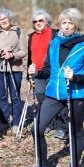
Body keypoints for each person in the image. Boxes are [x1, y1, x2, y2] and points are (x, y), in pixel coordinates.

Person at [24, 8, 84, 167]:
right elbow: (48, 69)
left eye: (70, 22)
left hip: (76, 94)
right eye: (63, 22)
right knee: (36, 129)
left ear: (77, 24)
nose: (66, 26)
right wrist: (36, 73)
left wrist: (75, 77)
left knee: (75, 132)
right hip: (53, 94)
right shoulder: (54, 42)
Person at [0, 8, 28, 134]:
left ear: (9, 18)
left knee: (15, 96)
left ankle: (16, 122)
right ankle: (4, 121)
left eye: (5, 18)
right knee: (2, 97)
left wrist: (12, 55)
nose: (3, 21)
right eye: (0, 19)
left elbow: (24, 51)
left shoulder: (19, 32)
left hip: (15, 69)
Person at [27, 9, 67, 139]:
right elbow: (30, 56)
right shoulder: (31, 36)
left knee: (57, 99)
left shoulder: (55, 34)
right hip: (38, 73)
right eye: (35, 21)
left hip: (53, 72)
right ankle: (48, 122)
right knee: (41, 98)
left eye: (40, 20)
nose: (37, 23)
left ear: (46, 21)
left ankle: (62, 127)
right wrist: (29, 73)